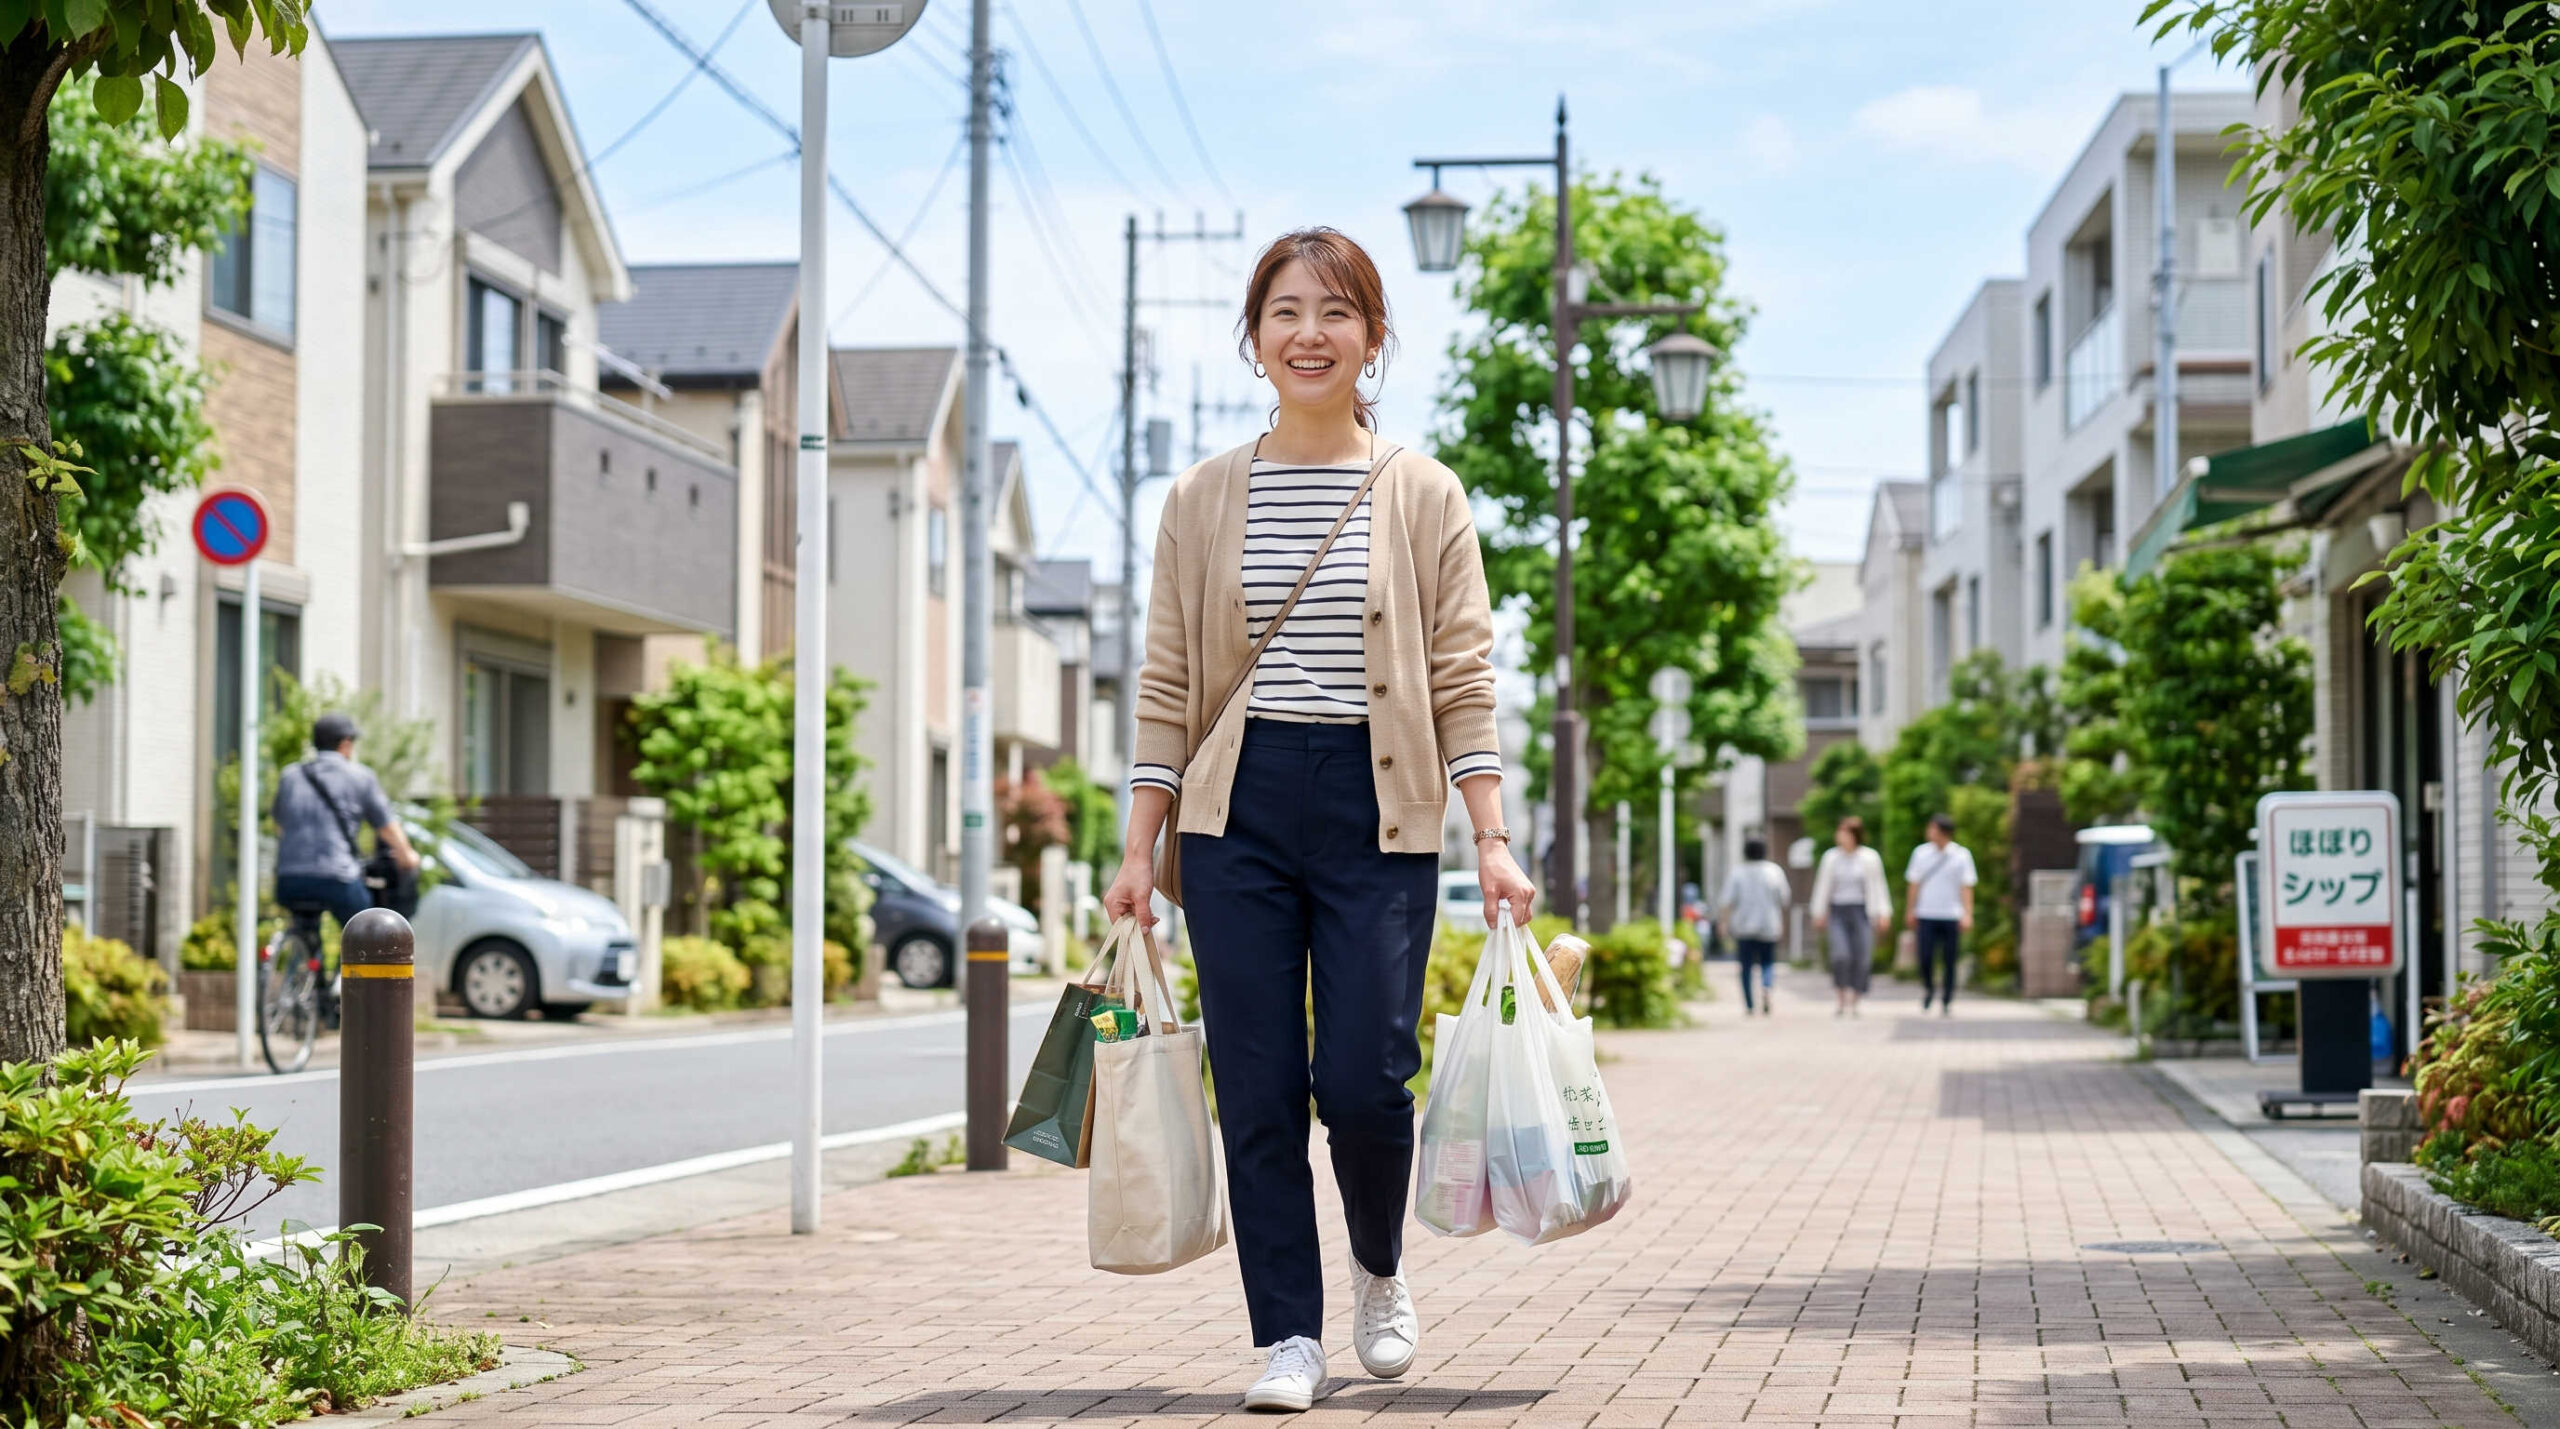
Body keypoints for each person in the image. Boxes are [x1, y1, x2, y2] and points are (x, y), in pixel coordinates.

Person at [1103, 228, 1532, 1413]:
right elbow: (1165, 684)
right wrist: (1138, 847)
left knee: (1363, 1078)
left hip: (1376, 807)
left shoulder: (1423, 491)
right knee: (1255, 1084)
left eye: (1335, 311)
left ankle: (1379, 1269)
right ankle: (1287, 1333)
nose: (1309, 333)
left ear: (1372, 337)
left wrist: (1492, 837)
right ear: (1253, 338)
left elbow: (1462, 675)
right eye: (1285, 312)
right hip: (1230, 813)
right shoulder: (1201, 496)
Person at [271, 712, 419, 930]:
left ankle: (302, 946)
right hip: (336, 878)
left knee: (304, 926)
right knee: (366, 928)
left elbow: (279, 825)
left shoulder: (290, 776)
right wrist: (408, 856)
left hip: (289, 879)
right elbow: (386, 827)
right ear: (345, 744)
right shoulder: (360, 776)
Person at [1808, 816, 1891, 1017]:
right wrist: (1818, 912)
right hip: (1838, 911)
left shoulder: (1869, 857)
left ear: (1855, 835)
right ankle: (1840, 996)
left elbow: (1879, 886)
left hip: (1862, 911)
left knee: (1862, 957)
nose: (1840, 836)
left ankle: (1855, 998)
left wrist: (1884, 913)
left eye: (1844, 832)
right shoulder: (1831, 858)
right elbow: (1822, 886)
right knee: (1840, 955)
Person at [1905, 812, 1977, 1015]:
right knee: (1925, 957)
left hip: (1951, 914)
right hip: (1926, 913)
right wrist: (1910, 910)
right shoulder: (1920, 853)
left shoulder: (1961, 855)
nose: (1929, 832)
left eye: (1933, 828)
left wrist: (1967, 914)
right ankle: (1928, 988)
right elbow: (1914, 884)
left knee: (1950, 959)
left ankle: (1947, 998)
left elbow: (1966, 887)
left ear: (1944, 832)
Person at [1717, 838, 1790, 1015]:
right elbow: (1784, 898)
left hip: (1743, 927)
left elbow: (1726, 900)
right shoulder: (1774, 871)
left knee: (1746, 966)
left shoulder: (1737, 872)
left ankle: (1749, 1004)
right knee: (1767, 962)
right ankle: (1766, 986)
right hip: (1768, 924)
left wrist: (1723, 922)